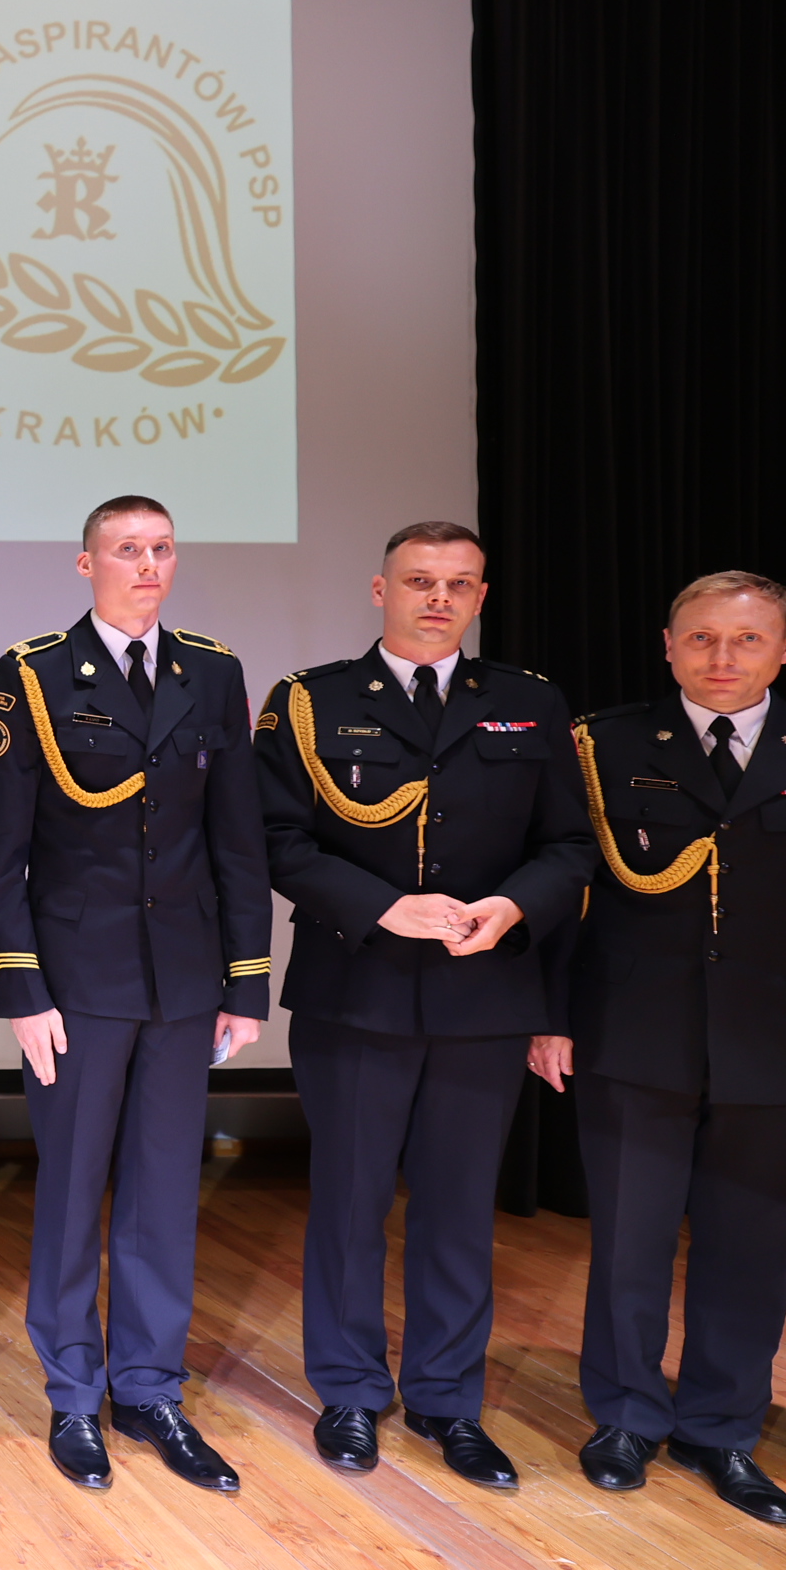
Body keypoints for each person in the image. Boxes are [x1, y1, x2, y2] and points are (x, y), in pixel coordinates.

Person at [255, 521, 591, 1490]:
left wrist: (513, 907)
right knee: (350, 1202)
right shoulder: (311, 701)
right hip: (355, 990)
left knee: (458, 1210)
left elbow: (570, 845)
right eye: (419, 581)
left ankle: (448, 1400)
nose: (439, 598)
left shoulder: (528, 703)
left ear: (481, 596)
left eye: (459, 583)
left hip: (485, 992)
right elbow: (275, 838)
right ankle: (350, 1392)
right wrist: (383, 906)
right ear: (381, 589)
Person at [532, 571, 786, 1527]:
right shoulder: (602, 744)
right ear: (669, 644)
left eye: (747, 639)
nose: (723, 658)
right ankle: (626, 1416)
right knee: (628, 1239)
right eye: (702, 638)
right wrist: (550, 1015)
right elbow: (564, 887)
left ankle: (722, 1427)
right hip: (634, 1029)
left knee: (753, 1246)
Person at [0, 494, 270, 1494]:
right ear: (86, 564)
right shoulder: (33, 675)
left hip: (181, 979)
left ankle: (148, 1390)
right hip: (76, 982)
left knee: (164, 1192)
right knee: (71, 1190)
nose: (148, 565)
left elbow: (237, 837)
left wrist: (245, 979)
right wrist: (20, 987)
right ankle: (73, 1391)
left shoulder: (212, 673)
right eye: (127, 549)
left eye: (161, 549)